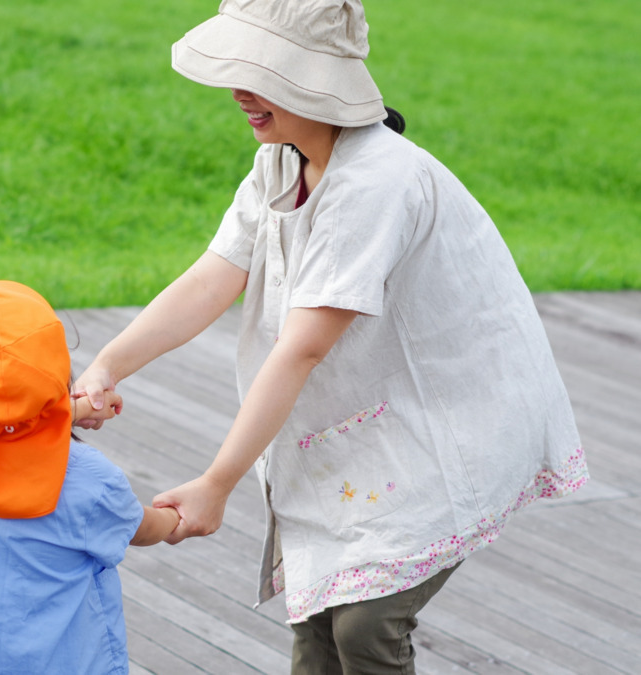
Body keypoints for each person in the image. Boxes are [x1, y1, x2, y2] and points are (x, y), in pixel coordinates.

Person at [73, 0, 588, 672]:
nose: (238, 91)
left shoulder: (375, 180)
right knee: (316, 619)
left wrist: (217, 481)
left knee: (366, 625)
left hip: (446, 421)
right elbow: (212, 278)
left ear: (311, 78)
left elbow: (303, 346)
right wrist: (108, 364)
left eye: (257, 71)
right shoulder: (280, 166)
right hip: (364, 426)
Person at [0, 280, 179, 675]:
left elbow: (0, 422)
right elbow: (144, 528)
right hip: (55, 658)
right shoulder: (91, 481)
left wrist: (64, 412)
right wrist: (178, 518)